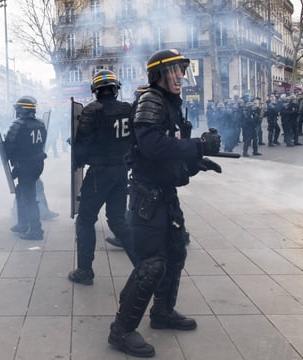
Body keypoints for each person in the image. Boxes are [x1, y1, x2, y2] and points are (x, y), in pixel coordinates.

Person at [107, 49, 221, 358]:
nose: (180, 76)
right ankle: (121, 331)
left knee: (174, 254)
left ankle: (162, 313)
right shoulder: (151, 101)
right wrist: (196, 145)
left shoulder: (170, 104)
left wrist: (197, 162)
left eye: (182, 70)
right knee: (151, 264)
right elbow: (153, 146)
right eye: (174, 70)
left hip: (165, 194)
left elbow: (168, 153)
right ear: (158, 75)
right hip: (148, 198)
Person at [68, 70, 137, 285]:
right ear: (116, 89)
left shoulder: (92, 110)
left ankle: (85, 271)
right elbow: (132, 138)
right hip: (120, 171)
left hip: (99, 173)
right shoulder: (127, 109)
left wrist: (76, 154)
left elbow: (83, 144)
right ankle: (144, 265)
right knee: (117, 220)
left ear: (95, 90)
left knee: (86, 219)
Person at [4, 96, 47, 240]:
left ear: (20, 110)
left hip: (25, 166)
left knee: (28, 197)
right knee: (20, 192)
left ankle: (36, 230)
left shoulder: (18, 125)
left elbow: (8, 148)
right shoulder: (40, 124)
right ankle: (22, 224)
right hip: (37, 164)